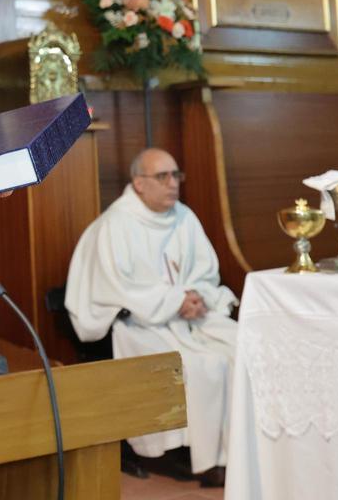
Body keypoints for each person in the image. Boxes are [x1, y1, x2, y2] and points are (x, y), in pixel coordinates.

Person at [64, 148, 237, 488]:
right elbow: (116, 287)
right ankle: (194, 455)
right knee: (200, 366)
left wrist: (197, 295)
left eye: (176, 175)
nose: (173, 184)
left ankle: (234, 452)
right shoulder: (116, 223)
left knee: (239, 349)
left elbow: (206, 271)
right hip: (137, 322)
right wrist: (175, 301)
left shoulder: (184, 217)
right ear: (139, 183)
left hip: (187, 316)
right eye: (163, 177)